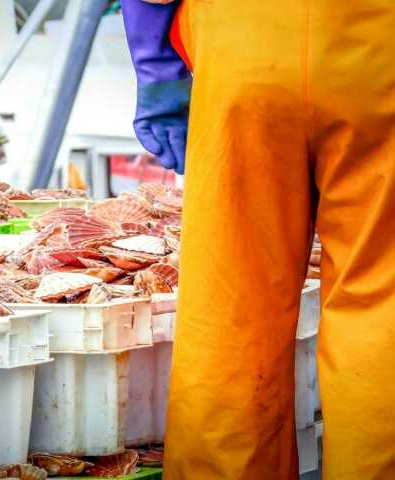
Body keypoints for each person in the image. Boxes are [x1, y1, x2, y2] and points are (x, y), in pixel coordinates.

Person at [122, 1, 395, 479]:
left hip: (242, 50)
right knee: (382, 300)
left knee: (230, 309)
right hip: (379, 56)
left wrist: (156, 69)